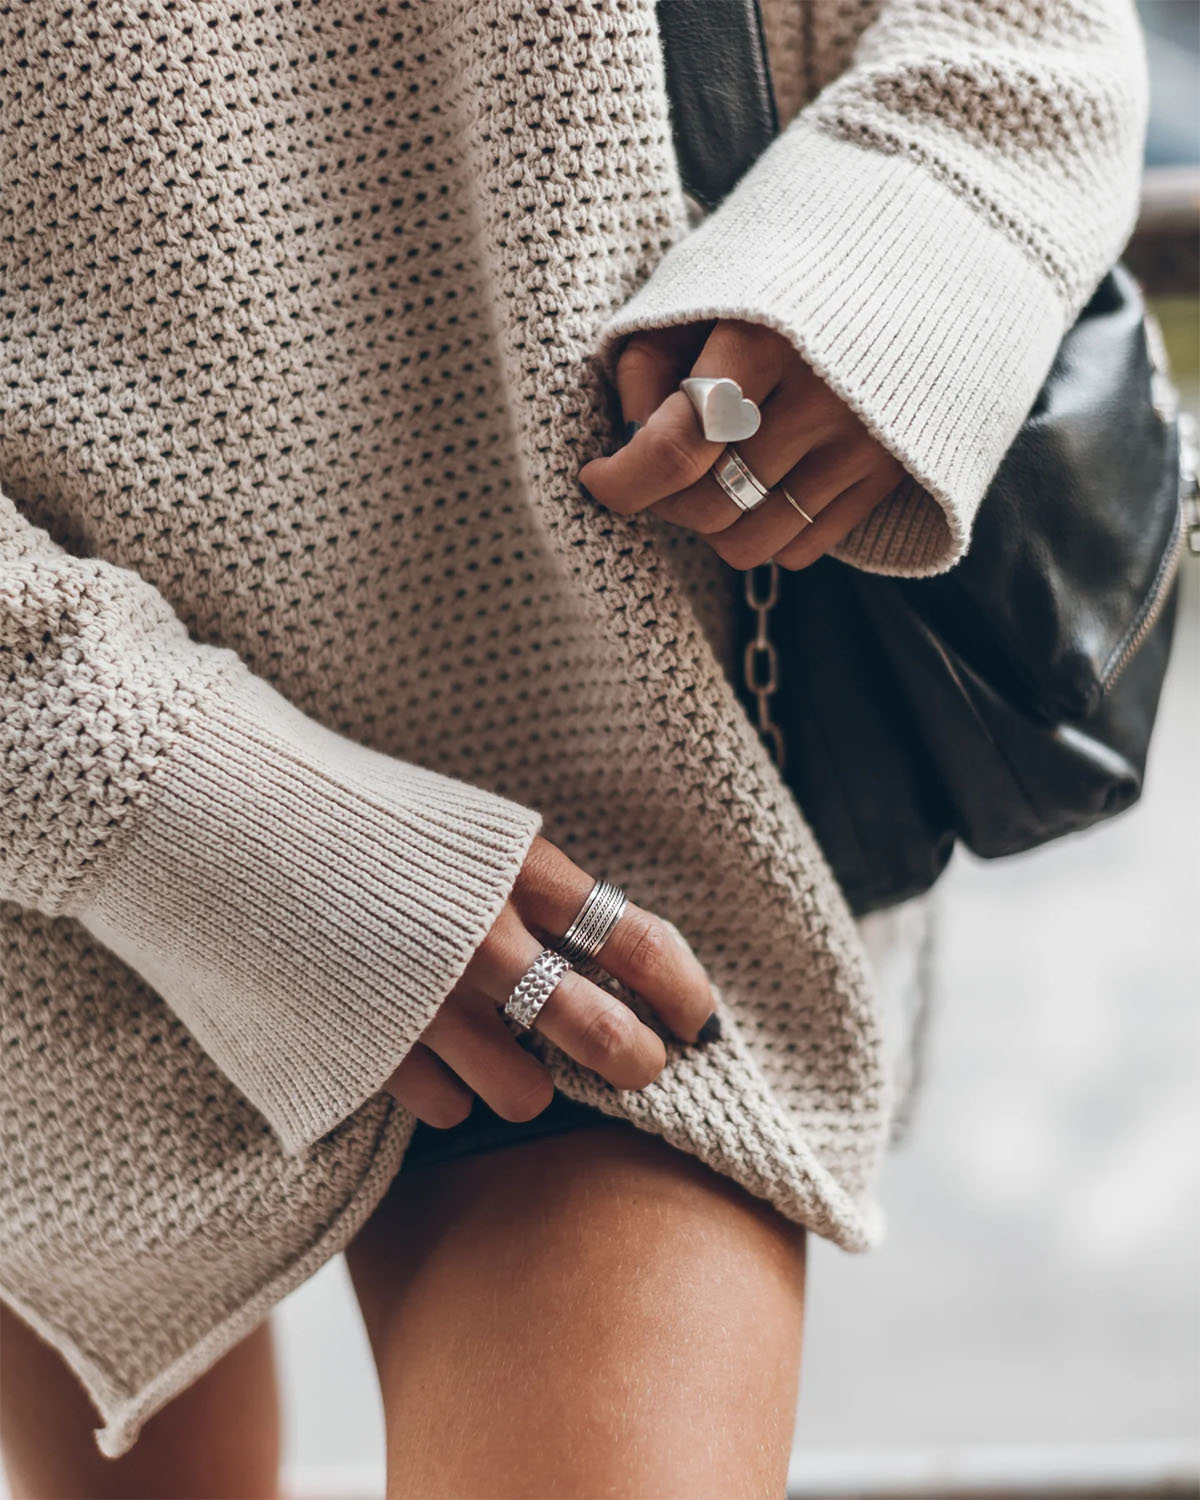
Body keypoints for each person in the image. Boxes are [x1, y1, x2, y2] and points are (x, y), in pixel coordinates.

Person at [0, 1, 1147, 1495]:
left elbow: (1025, 34)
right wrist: (151, 790)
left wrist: (911, 236)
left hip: (618, 786)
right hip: (45, 883)